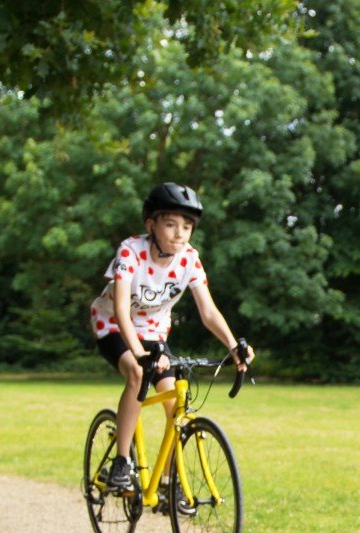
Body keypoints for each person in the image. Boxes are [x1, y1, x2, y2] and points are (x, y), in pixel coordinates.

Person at [91, 182, 252, 491]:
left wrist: (233, 346)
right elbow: (122, 308)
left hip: (154, 332)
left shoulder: (189, 259)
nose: (180, 233)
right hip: (113, 325)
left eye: (187, 227)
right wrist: (137, 352)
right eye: (171, 224)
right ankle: (121, 462)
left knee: (176, 403)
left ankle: (167, 479)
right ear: (151, 225)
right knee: (138, 373)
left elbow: (208, 311)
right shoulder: (131, 251)